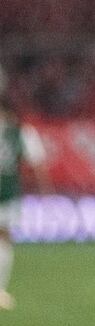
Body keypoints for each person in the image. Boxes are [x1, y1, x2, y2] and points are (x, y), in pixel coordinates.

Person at [0, 97, 48, 310]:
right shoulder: (21, 132)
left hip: (8, 194)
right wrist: (45, 190)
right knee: (4, 239)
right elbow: (37, 163)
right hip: (8, 193)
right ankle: (0, 289)